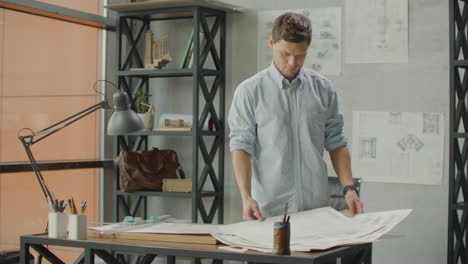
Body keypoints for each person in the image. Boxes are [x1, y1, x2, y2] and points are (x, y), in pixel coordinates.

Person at [228, 12, 363, 220]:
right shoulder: (249, 91)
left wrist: (349, 188)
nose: (293, 62)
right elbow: (240, 147)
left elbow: (336, 142)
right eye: (285, 54)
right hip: (268, 212)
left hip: (317, 209)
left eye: (300, 55)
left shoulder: (324, 89)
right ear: (271, 43)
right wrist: (246, 197)